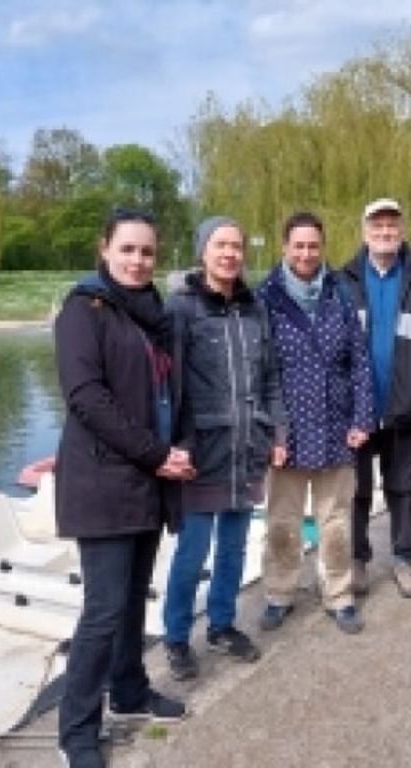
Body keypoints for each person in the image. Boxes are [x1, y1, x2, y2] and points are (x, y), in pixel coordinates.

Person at [53, 208, 193, 768]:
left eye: (147, 252)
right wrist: (158, 454)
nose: (138, 261)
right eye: (127, 250)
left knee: (135, 597)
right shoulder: (83, 311)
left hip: (146, 483)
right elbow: (86, 397)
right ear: (104, 249)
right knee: (104, 609)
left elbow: (167, 393)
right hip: (103, 481)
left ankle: (130, 691)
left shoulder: (155, 315)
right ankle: (77, 732)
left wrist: (175, 452)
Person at [162, 215, 287, 680]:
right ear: (203, 251)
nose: (230, 253)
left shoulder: (256, 310)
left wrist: (278, 434)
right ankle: (176, 638)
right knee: (192, 553)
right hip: (201, 453)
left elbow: (271, 378)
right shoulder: (181, 309)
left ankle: (221, 624)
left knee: (234, 548)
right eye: (220, 245)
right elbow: (169, 385)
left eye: (236, 245)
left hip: (246, 448)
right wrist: (174, 445)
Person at [255, 211, 375, 634]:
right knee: (283, 524)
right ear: (285, 248)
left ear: (322, 248)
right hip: (286, 435)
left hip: (337, 429)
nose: (306, 253)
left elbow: (360, 362)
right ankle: (279, 593)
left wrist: (362, 418)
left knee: (336, 522)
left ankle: (338, 595)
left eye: (313, 246)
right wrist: (269, 431)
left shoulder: (341, 294)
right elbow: (258, 372)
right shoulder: (264, 298)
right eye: (298, 246)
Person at [340, 198, 411, 598]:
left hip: (404, 408)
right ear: (364, 232)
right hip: (356, 410)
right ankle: (357, 559)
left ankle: (403, 558)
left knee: (403, 487)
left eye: (392, 225)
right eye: (377, 226)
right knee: (355, 489)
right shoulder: (342, 283)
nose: (385, 232)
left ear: (402, 231)